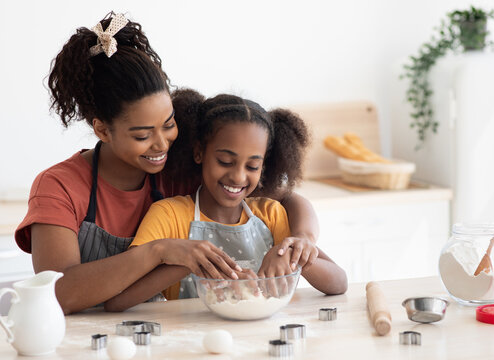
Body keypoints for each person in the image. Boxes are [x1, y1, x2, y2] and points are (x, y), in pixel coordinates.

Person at [14, 12, 320, 314]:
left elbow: (285, 197)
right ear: (103, 129)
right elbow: (57, 293)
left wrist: (303, 239)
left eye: (168, 124)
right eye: (143, 134)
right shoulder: (59, 186)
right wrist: (159, 252)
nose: (162, 144)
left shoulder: (179, 169)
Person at [104, 89, 348, 311]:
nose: (238, 176)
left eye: (252, 165)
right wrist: (190, 263)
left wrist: (297, 253)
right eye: (225, 162)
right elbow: (118, 300)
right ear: (199, 152)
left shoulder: (270, 214)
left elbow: (339, 283)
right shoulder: (169, 215)